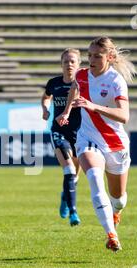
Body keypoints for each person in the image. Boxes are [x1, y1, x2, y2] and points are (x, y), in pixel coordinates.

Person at [56, 36, 136, 252]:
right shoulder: (82, 75)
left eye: (96, 56)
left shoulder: (115, 81)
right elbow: (75, 88)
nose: (90, 59)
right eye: (89, 55)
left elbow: (124, 116)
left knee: (118, 199)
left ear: (109, 57)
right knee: (93, 176)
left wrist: (93, 106)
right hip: (88, 138)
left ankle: (116, 212)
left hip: (115, 144)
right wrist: (66, 111)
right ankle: (111, 234)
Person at [41, 48, 82, 226]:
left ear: (79, 64)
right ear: (61, 64)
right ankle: (73, 212)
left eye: (73, 61)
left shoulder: (83, 83)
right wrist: (45, 109)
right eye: (66, 61)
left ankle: (65, 196)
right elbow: (46, 97)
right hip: (59, 131)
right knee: (69, 170)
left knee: (75, 177)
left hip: (80, 133)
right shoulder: (54, 83)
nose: (69, 64)